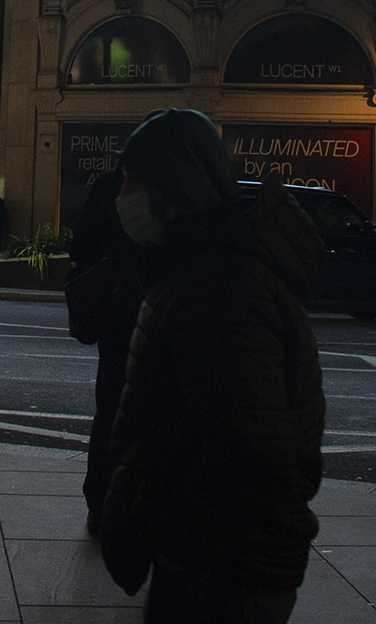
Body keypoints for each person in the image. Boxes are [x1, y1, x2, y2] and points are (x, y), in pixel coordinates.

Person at [101, 108, 324, 623]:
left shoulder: (219, 288)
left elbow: (245, 451)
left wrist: (170, 529)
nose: (123, 195)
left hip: (221, 568)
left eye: (133, 179)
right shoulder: (203, 269)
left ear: (170, 187)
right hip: (216, 558)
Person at [67, 162, 144, 537]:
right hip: (155, 314)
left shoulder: (109, 185)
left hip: (116, 313)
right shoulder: (175, 188)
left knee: (111, 406)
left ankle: (101, 501)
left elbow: (79, 247)